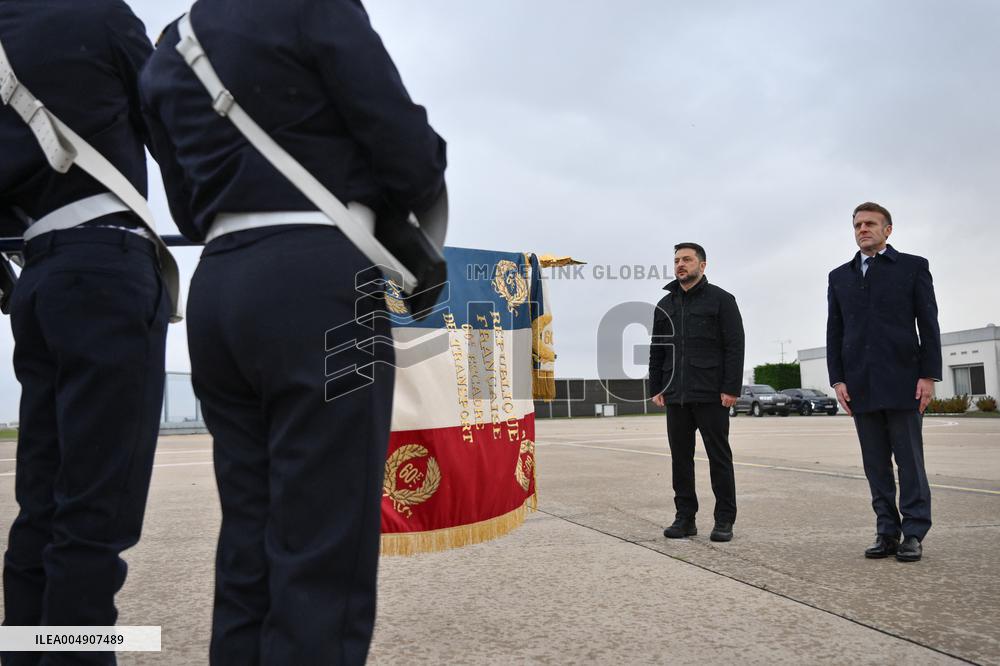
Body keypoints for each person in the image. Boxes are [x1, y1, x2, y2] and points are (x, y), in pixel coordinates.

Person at [140, 1, 446, 663]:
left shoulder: (170, 48)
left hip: (219, 286)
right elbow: (404, 143)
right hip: (323, 279)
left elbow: (188, 205)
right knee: (325, 547)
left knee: (250, 535)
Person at [0, 2, 169, 663]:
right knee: (97, 513)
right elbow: (168, 117)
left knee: (40, 502)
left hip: (37, 279)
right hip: (105, 264)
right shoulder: (96, 13)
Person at [827, 202, 940, 562]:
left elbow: (929, 325)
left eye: (871, 224)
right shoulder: (840, 276)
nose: (863, 229)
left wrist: (928, 375)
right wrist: (838, 379)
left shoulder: (912, 267)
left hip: (904, 380)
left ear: (887, 230)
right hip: (860, 384)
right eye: (858, 224)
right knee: (875, 464)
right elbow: (835, 331)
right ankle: (886, 531)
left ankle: (914, 532)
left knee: (909, 462)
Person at [649, 243, 745, 542]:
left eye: (687, 259)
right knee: (680, 459)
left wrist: (731, 388)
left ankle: (724, 520)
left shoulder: (721, 300)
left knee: (719, 458)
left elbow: (734, 346)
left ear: (702, 265)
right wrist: (657, 387)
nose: (681, 264)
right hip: (675, 394)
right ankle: (685, 518)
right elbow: (657, 351)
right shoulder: (665, 305)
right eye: (677, 260)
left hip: (711, 394)